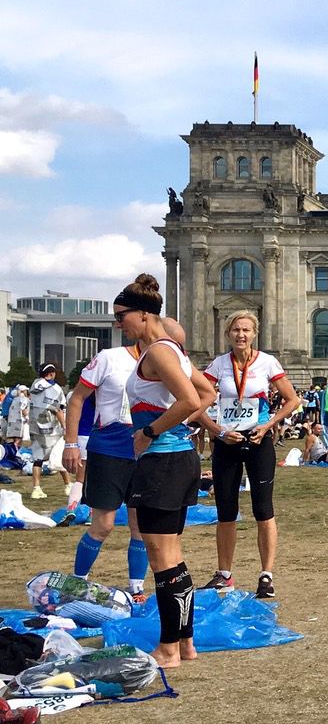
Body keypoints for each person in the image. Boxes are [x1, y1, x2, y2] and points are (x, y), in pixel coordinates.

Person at [117, 274, 210, 669]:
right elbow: (206, 394)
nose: (118, 323)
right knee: (171, 553)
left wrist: (151, 431)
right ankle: (185, 643)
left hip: (163, 463)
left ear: (142, 314)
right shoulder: (171, 351)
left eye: (121, 315)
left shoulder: (157, 352)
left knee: (161, 557)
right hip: (176, 460)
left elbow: (191, 398)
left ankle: (169, 648)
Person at [197, 311, 301, 599]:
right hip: (227, 441)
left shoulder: (267, 362)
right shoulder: (219, 364)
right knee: (225, 511)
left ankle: (266, 575)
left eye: (246, 330)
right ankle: (224, 574)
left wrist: (268, 425)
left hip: (258, 439)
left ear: (254, 333)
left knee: (263, 509)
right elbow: (194, 401)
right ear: (228, 333)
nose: (241, 335)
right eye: (235, 330)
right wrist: (216, 431)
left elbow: (292, 399)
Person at [61, 341, 150, 601]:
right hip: (109, 448)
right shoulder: (109, 358)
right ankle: (77, 583)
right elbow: (76, 399)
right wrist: (71, 443)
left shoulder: (164, 358)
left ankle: (136, 587)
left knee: (140, 526)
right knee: (104, 525)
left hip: (146, 451)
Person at [28, 364, 72, 501]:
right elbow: (58, 409)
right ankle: (68, 485)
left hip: (35, 427)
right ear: (52, 374)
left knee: (38, 458)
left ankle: (36, 488)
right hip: (51, 428)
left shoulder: (35, 385)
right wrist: (65, 426)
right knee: (58, 455)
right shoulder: (54, 389)